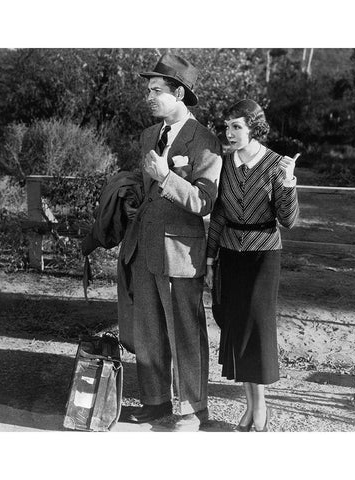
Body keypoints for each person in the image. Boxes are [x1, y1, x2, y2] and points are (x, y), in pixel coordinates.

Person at [121, 53, 222, 431]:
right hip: (145, 247)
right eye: (148, 89)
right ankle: (155, 402)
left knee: (185, 330)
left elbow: (204, 200)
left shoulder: (205, 139)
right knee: (147, 328)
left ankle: (194, 409)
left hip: (181, 252)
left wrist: (166, 177)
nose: (149, 96)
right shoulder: (149, 135)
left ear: (178, 93)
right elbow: (147, 187)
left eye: (157, 90)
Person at [205, 99, 299, 432]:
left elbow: (287, 221)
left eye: (237, 126)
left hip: (263, 257)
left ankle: (260, 409)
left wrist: (288, 183)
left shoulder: (275, 164)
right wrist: (209, 257)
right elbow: (218, 215)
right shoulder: (224, 164)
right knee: (236, 330)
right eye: (227, 126)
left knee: (256, 332)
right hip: (230, 254)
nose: (229, 133)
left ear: (254, 128)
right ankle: (250, 407)